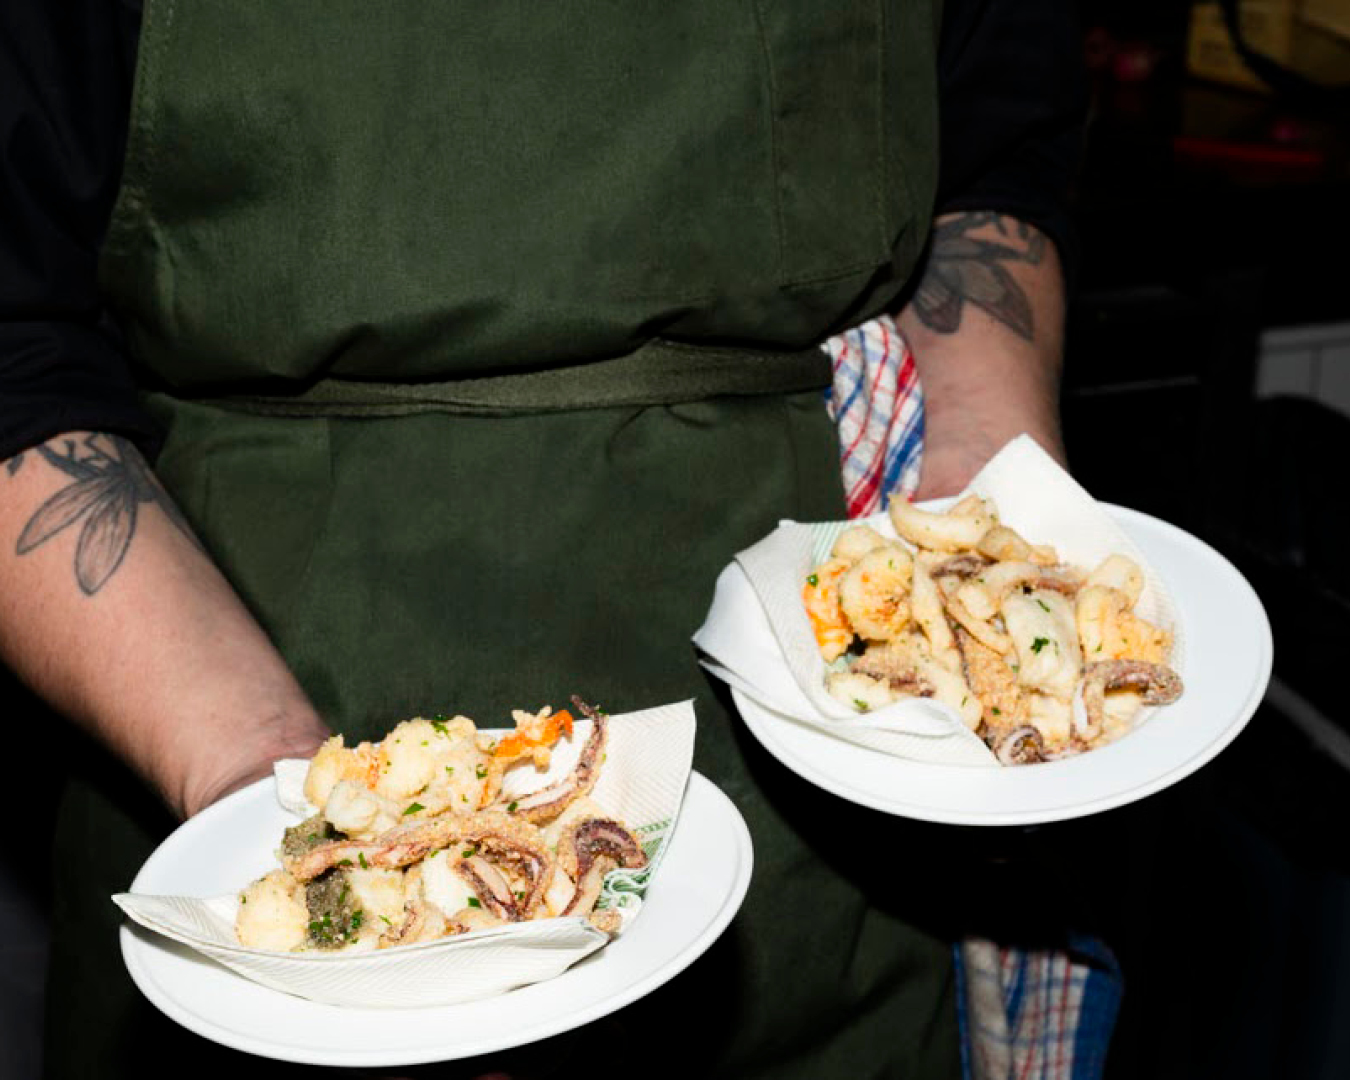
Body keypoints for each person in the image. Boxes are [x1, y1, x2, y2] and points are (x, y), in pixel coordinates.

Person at [0, 2, 1084, 1077]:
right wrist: (277, 802)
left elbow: (993, 155)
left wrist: (991, 538)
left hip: (831, 818)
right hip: (234, 678)